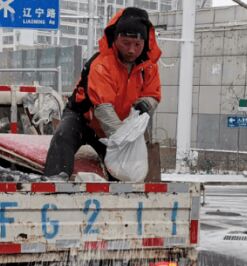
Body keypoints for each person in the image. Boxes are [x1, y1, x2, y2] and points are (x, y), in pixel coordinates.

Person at [44, 7, 162, 179]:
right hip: (84, 119)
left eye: (137, 45)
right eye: (126, 43)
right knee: (63, 136)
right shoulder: (102, 65)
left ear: (145, 43)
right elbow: (103, 109)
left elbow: (154, 94)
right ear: (115, 39)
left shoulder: (149, 67)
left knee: (121, 174)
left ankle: (124, 197)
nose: (131, 50)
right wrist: (123, 141)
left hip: (118, 128)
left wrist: (147, 103)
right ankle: (54, 181)